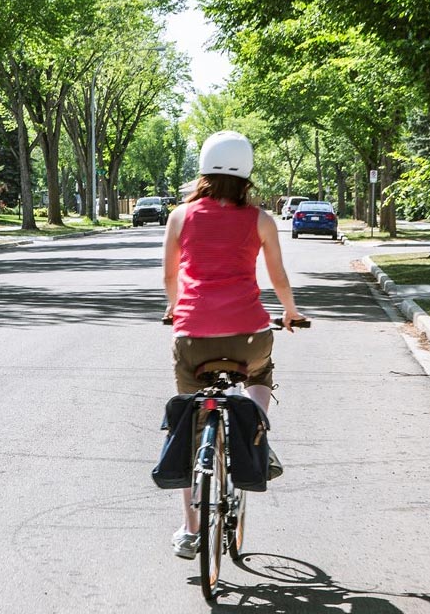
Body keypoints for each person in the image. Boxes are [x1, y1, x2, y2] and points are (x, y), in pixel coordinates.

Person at [162, 130, 305, 559]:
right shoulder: (261, 219)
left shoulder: (179, 217)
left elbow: (170, 277)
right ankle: (255, 431)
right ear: (248, 174)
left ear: (202, 170)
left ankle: (190, 531)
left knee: (187, 426)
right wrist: (291, 312)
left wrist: (174, 308)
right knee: (260, 371)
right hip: (248, 335)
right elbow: (277, 277)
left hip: (192, 338)